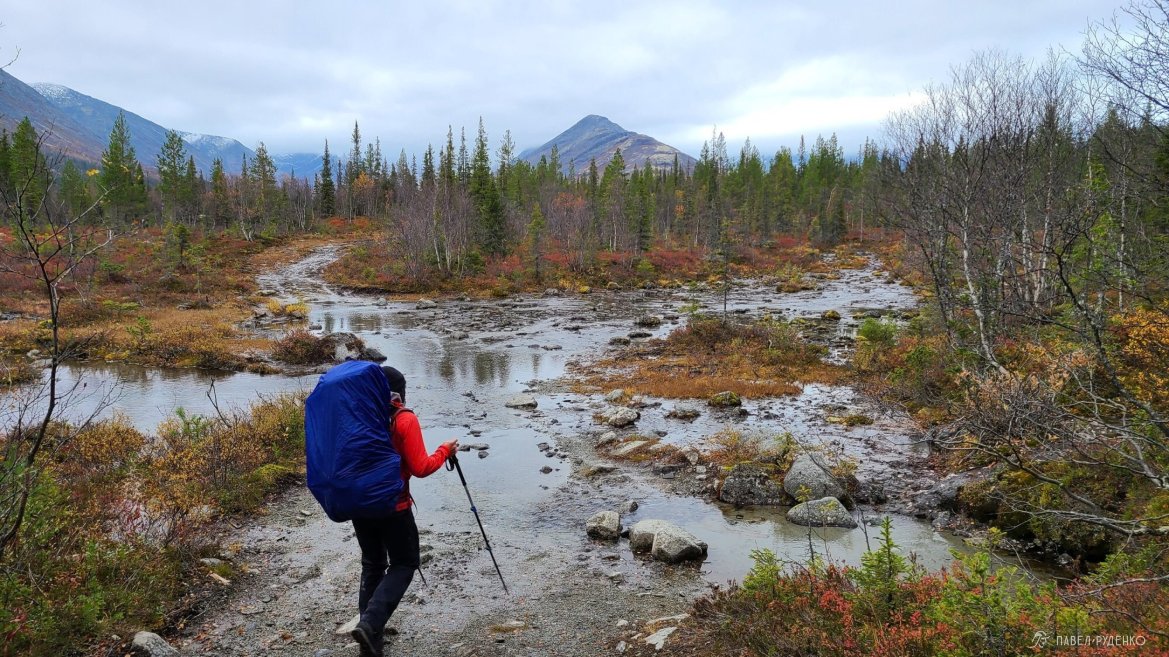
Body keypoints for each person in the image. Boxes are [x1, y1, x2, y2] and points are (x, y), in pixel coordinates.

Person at [350, 366, 458, 657]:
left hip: (359, 505)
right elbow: (420, 467)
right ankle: (371, 623)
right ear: (400, 390)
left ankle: (370, 643)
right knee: (404, 563)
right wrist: (444, 451)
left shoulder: (359, 413)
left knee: (372, 565)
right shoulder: (404, 419)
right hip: (394, 506)